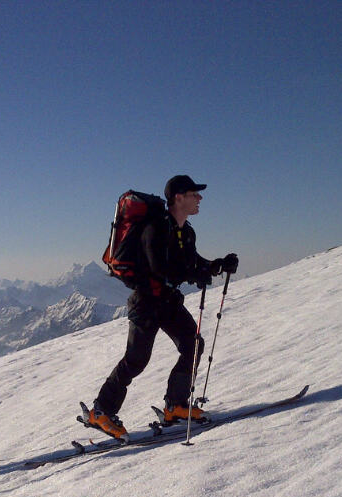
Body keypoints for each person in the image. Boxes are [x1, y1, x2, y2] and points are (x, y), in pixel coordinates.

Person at [86, 175, 238, 440]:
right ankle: (100, 411)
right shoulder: (155, 227)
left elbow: (192, 262)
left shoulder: (186, 231)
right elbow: (160, 268)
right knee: (136, 360)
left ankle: (175, 406)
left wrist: (217, 265)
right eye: (194, 194)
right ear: (178, 197)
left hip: (167, 301)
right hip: (146, 302)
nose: (199, 199)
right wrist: (193, 274)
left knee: (192, 344)